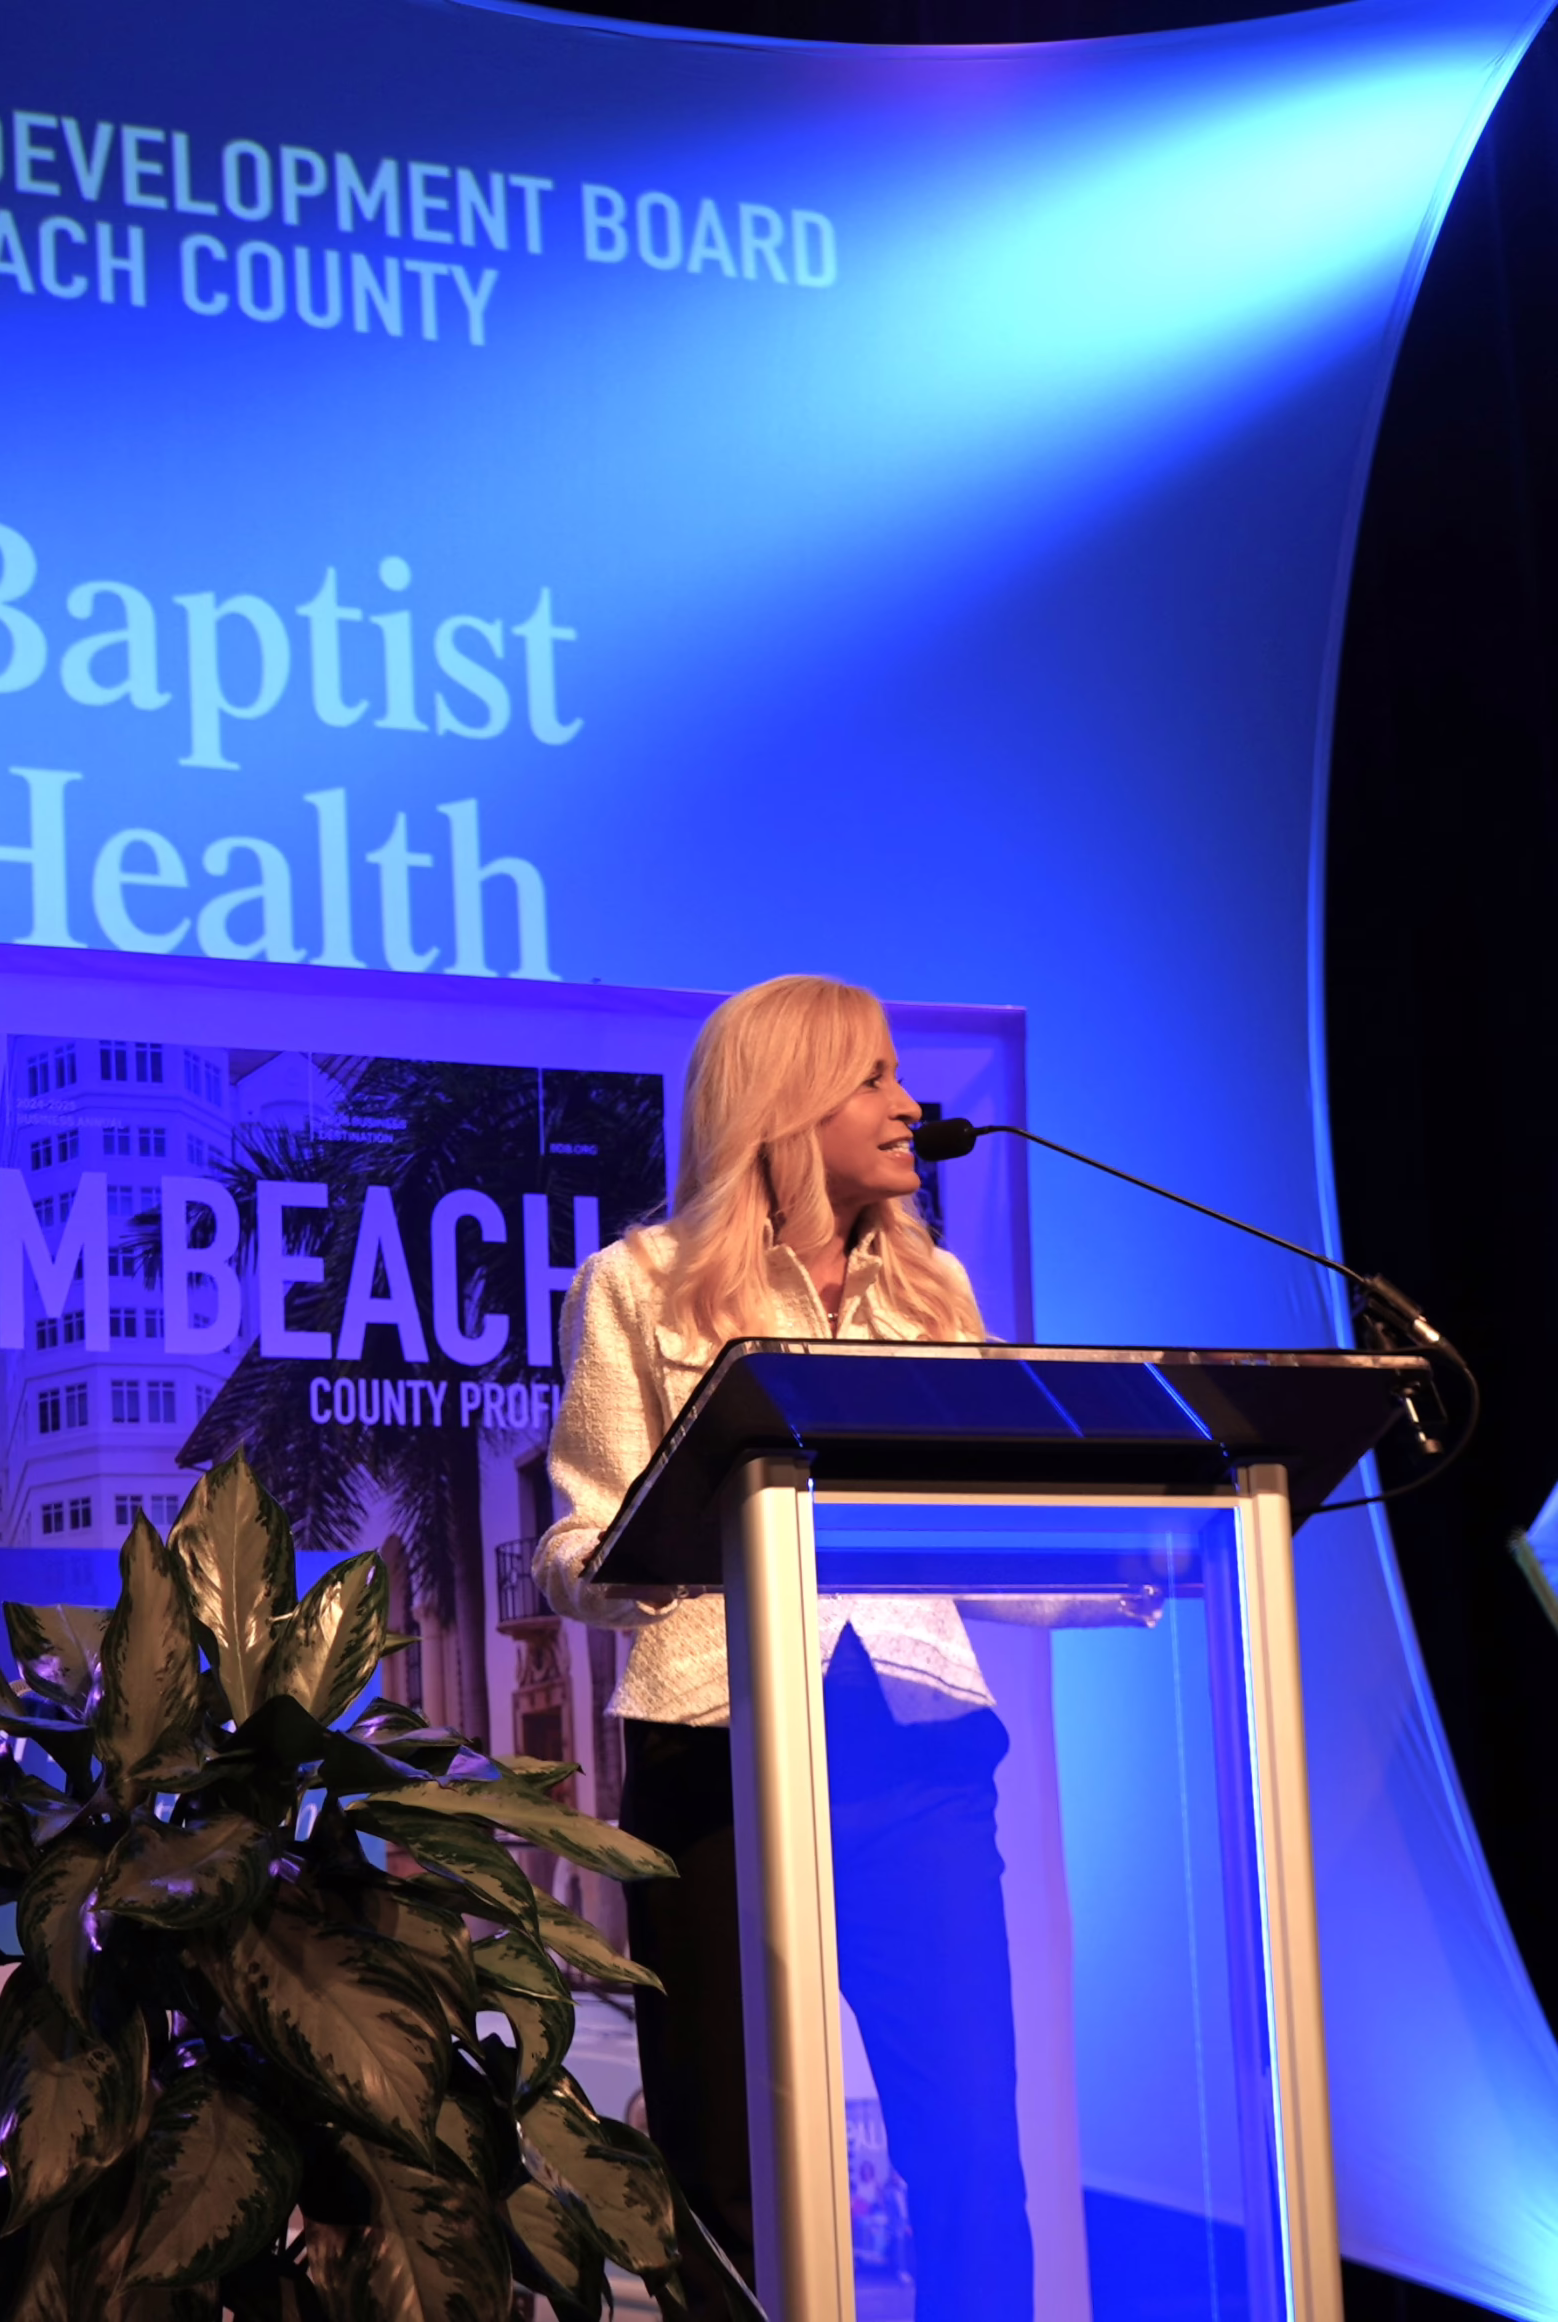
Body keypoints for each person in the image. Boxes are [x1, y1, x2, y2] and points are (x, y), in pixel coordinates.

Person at [537, 975, 1038, 2322]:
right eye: (872, 1076)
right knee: (725, 2165)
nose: (908, 1104)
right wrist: (669, 1548)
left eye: (900, 1074)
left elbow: (998, 1523)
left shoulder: (934, 1292)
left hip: (918, 1756)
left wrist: (1139, 1559)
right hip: (717, 1761)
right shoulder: (638, 1285)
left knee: (970, 2156)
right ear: (783, 1101)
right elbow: (579, 1539)